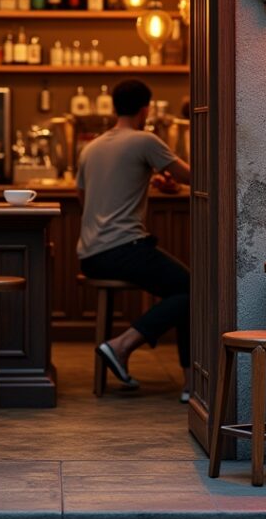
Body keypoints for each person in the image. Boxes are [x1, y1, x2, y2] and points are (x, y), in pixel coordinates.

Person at [76, 78, 192, 401]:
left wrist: (148, 179)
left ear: (114, 107)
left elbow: (84, 199)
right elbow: (191, 176)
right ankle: (124, 346)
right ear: (145, 109)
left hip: (91, 255)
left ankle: (180, 377)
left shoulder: (91, 148)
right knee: (192, 289)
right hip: (124, 248)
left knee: (183, 288)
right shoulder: (145, 141)